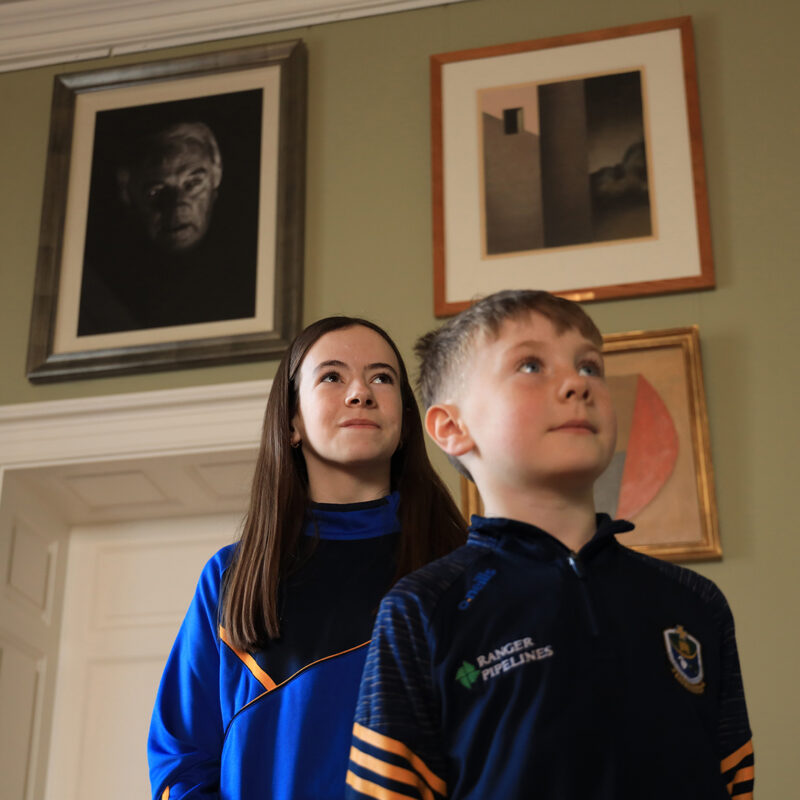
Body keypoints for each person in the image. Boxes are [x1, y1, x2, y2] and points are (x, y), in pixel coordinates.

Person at [345, 290, 753, 800]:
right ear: (451, 427)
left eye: (590, 366)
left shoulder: (696, 603)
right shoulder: (421, 610)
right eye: (532, 365)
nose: (577, 384)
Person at [148, 316, 466, 800]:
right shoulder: (230, 577)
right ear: (292, 421)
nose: (360, 393)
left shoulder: (462, 567)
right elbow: (181, 762)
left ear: (404, 423)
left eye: (382, 377)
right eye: (332, 377)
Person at [78, 118, 257, 335]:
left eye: (192, 184)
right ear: (127, 193)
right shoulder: (92, 288)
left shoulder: (250, 266)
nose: (176, 205)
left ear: (216, 175)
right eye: (156, 192)